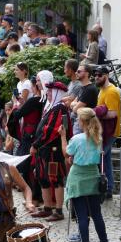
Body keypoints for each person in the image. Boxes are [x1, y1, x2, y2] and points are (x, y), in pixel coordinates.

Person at [60, 108, 110, 242]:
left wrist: (62, 137)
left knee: (82, 217)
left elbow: (66, 153)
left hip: (78, 178)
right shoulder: (98, 138)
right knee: (97, 215)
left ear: (82, 121)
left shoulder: (76, 139)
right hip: (93, 177)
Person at [30, 79, 71, 222]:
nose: (47, 93)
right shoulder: (53, 107)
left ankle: (58, 210)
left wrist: (35, 144)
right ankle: (47, 208)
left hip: (54, 151)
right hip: (45, 150)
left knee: (56, 179)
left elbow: (50, 131)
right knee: (43, 178)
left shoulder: (60, 108)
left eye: (50, 91)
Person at [93, 66, 120, 200]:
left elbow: (112, 114)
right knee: (106, 160)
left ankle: (102, 190)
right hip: (105, 132)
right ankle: (108, 190)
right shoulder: (102, 90)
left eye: (99, 75)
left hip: (110, 132)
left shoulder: (111, 91)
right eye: (95, 75)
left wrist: (95, 113)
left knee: (98, 159)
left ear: (106, 75)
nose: (96, 77)